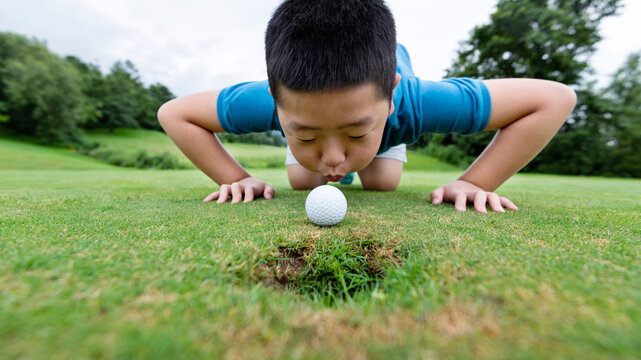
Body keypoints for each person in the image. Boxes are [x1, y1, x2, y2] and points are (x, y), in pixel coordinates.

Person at [157, 0, 577, 213]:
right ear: (276, 102)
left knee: (382, 182)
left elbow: (554, 98)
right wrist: (237, 177)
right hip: (334, 112)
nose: (335, 158)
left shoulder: (418, 102)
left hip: (391, 118)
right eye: (304, 133)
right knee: (305, 182)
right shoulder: (273, 98)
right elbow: (174, 113)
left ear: (391, 96)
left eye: (356, 132)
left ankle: (345, 137)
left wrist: (476, 181)